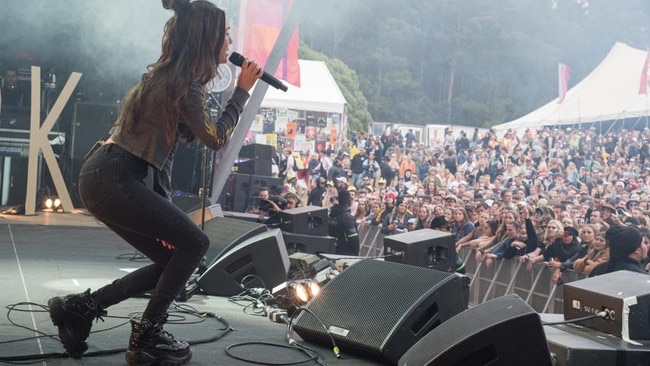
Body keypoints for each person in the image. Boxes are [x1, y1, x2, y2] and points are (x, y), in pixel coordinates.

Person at [46, 1, 262, 365]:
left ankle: (82, 308)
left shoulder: (170, 79)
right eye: (226, 35)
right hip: (116, 176)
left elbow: (163, 157)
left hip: (103, 176)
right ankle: (147, 335)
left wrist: (163, 209)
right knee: (196, 243)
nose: (230, 43)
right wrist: (242, 92)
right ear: (208, 39)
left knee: (171, 260)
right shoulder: (185, 86)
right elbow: (215, 138)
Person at [328, 189, 360, 256]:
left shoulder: (330, 215)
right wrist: (356, 253)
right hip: (345, 253)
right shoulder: (347, 218)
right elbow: (353, 240)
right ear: (349, 200)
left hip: (330, 250)